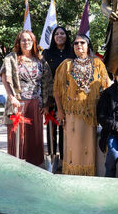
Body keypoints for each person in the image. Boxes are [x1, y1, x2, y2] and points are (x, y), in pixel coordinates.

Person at [54, 34, 110, 176]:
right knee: (73, 146)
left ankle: (87, 175)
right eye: (76, 43)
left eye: (82, 42)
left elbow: (106, 88)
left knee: (88, 147)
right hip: (71, 113)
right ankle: (72, 175)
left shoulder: (98, 64)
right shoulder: (66, 65)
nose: (79, 45)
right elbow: (57, 90)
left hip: (90, 113)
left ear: (88, 45)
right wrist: (60, 110)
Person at [1, 30, 52, 166]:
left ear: (33, 42)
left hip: (36, 103)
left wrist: (46, 104)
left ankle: (34, 166)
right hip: (17, 102)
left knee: (34, 137)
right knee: (17, 136)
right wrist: (11, 97)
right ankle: (15, 166)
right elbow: (5, 79)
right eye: (23, 40)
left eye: (29, 40)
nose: (26, 42)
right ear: (19, 42)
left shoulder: (40, 59)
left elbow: (47, 81)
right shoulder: (11, 58)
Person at [42, 26, 73, 160]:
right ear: (53, 37)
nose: (60, 36)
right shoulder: (47, 54)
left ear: (66, 36)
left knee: (66, 127)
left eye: (62, 33)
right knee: (52, 128)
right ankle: (52, 157)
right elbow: (44, 78)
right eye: (57, 34)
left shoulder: (72, 53)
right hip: (51, 96)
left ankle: (65, 158)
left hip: (69, 96)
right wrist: (46, 101)